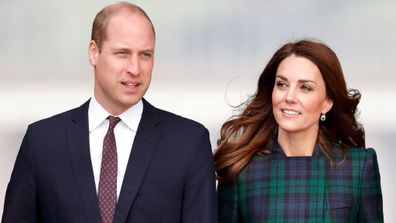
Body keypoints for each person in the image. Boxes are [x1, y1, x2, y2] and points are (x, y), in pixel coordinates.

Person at [2, 2, 216, 223]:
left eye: (145, 55)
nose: (135, 69)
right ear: (93, 52)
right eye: (122, 53)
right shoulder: (42, 142)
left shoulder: (188, 143)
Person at [215, 39, 383, 223]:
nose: (289, 97)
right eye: (282, 84)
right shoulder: (241, 169)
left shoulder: (358, 167)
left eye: (305, 87)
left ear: (327, 102)